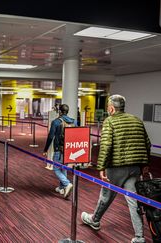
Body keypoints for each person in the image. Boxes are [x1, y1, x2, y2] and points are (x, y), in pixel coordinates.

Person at [80, 95, 151, 243]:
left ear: (111, 108)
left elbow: (106, 145)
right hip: (135, 167)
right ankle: (139, 236)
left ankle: (94, 220)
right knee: (134, 201)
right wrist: (145, 165)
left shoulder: (110, 121)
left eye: (108, 107)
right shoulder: (136, 120)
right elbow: (147, 143)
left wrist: (101, 166)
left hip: (116, 167)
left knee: (106, 196)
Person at [43, 104, 77, 199]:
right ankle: (62, 188)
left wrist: (45, 149)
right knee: (64, 168)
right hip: (69, 150)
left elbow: (50, 137)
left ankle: (67, 184)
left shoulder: (56, 122)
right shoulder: (74, 122)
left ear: (60, 111)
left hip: (59, 149)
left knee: (56, 168)